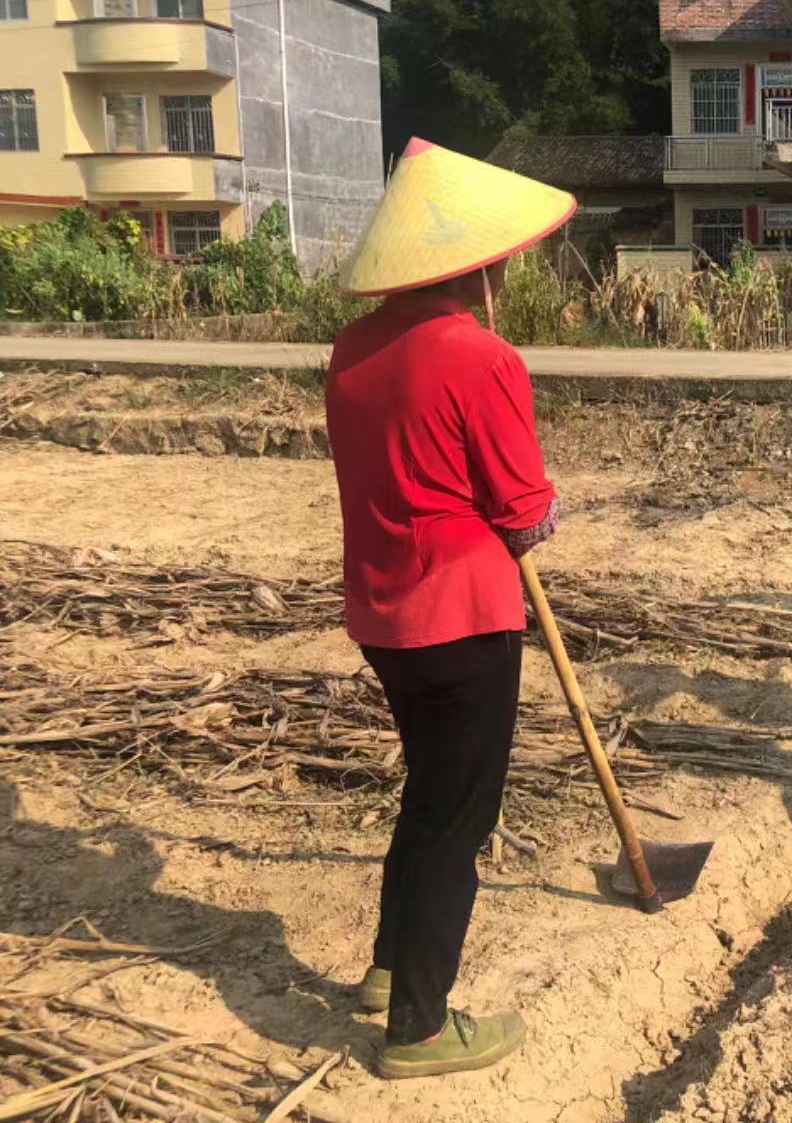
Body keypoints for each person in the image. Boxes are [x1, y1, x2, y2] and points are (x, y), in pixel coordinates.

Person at [324, 137, 577, 1077]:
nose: (505, 266)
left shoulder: (353, 348)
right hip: (462, 619)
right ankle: (420, 1029)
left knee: (428, 791)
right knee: (458, 817)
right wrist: (543, 513)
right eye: (496, 253)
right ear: (469, 263)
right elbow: (522, 508)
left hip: (383, 614)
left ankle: (391, 967)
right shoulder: (481, 356)